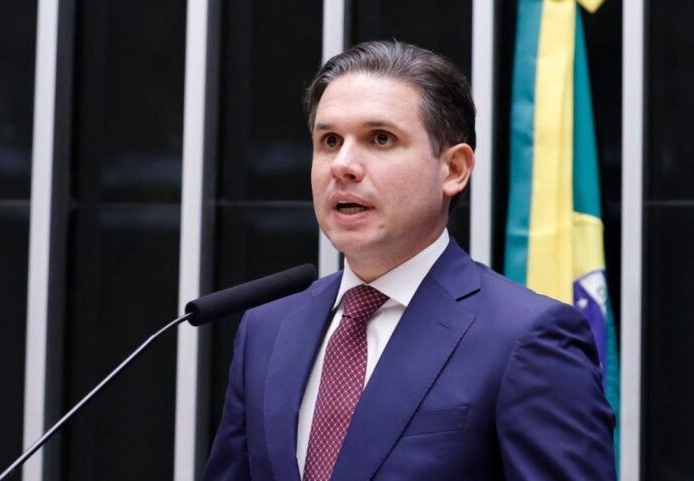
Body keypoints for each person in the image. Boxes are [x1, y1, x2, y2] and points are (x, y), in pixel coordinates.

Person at [202, 40, 615, 481]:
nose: (343, 165)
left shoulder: (527, 337)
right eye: (329, 141)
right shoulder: (266, 331)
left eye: (380, 139)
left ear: (454, 169)